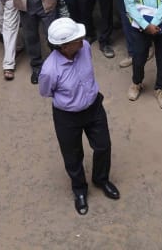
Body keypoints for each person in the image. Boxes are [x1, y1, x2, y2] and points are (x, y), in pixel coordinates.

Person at [38, 17, 120, 215]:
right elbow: (46, 91)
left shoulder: (84, 47)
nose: (82, 39)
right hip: (67, 116)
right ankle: (80, 190)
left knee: (103, 145)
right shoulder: (50, 70)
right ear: (63, 47)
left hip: (93, 107)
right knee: (73, 155)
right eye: (76, 39)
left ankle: (101, 180)